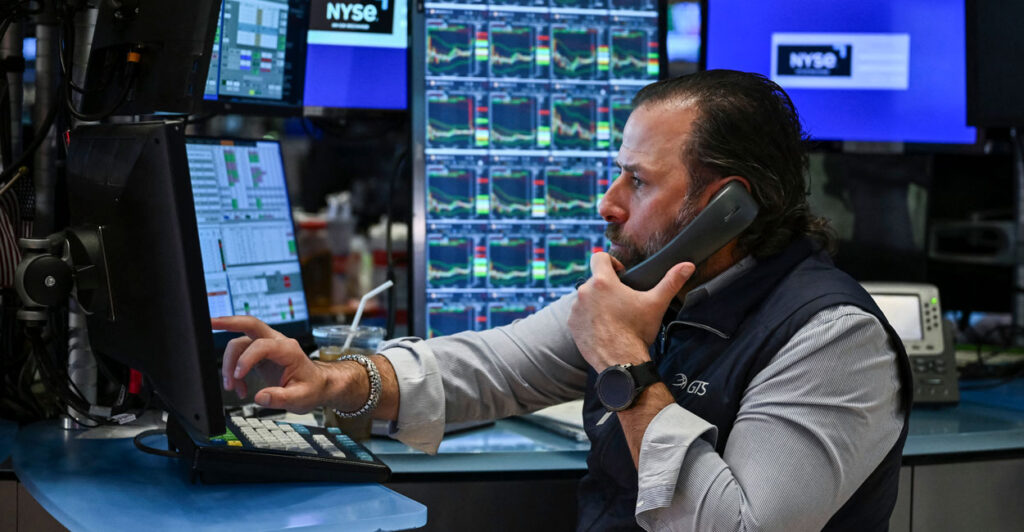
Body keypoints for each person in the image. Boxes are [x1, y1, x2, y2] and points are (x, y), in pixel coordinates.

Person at [214, 70, 911, 531]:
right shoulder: (657, 290)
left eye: (638, 182)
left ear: (724, 206)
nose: (608, 203)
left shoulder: (831, 339)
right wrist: (330, 379)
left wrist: (625, 366)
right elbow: (490, 367)